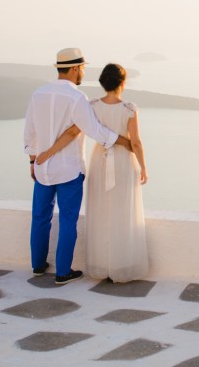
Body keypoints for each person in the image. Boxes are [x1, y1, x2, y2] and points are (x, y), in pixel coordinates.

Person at [23, 48, 132, 285]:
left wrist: (32, 160)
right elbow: (93, 129)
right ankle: (63, 272)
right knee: (68, 220)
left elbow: (30, 132)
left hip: (42, 167)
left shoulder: (38, 94)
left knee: (40, 217)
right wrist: (124, 142)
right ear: (74, 69)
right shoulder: (76, 98)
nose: (82, 72)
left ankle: (38, 265)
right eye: (82, 68)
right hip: (69, 169)